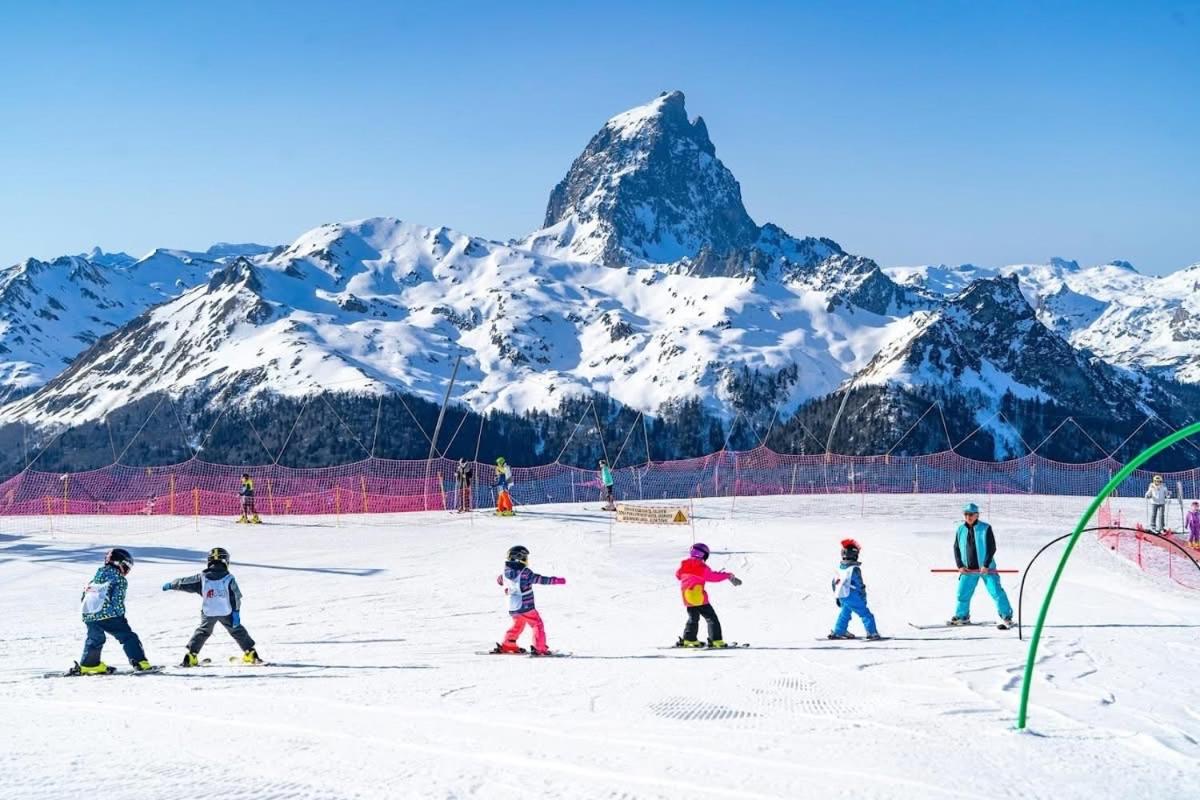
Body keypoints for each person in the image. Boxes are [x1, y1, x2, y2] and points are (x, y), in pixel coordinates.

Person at [162, 547, 261, 666]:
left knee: (203, 631)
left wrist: (171, 585)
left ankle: (191, 655)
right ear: (226, 561)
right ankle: (250, 652)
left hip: (208, 612)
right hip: (227, 611)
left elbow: (185, 582)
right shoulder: (229, 578)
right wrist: (236, 613)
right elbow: (236, 596)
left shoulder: (202, 578)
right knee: (237, 630)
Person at [70, 548, 154, 674]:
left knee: (95, 639)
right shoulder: (119, 579)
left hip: (89, 614)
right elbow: (117, 599)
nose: (127, 571)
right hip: (108, 614)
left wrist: (88, 614)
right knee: (127, 636)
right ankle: (140, 662)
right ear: (119, 564)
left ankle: (90, 664)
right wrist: (120, 616)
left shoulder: (95, 579)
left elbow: (85, 595)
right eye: (127, 567)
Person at [949, 502, 1013, 628]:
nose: (969, 517)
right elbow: (956, 547)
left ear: (977, 515)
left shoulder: (985, 528)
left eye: (971, 514)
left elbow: (991, 548)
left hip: (986, 569)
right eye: (966, 514)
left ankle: (1007, 616)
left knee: (996, 592)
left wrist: (986, 564)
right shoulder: (960, 529)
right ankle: (962, 616)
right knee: (962, 594)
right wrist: (960, 565)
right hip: (968, 570)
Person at [494, 545, 565, 655]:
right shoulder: (525, 573)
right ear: (519, 558)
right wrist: (556, 580)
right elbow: (540, 579)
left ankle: (508, 644)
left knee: (518, 624)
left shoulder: (504, 572)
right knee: (537, 624)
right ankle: (540, 648)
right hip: (525, 605)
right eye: (525, 557)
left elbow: (499, 581)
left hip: (512, 606)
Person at [675, 542, 741, 648]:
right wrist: (728, 575)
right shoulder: (701, 567)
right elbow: (713, 577)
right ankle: (716, 640)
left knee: (693, 618)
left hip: (687, 598)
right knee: (711, 618)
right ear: (704, 555)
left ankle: (689, 639)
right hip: (698, 598)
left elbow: (678, 575)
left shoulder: (683, 565)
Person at [829, 538, 880, 640]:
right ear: (855, 555)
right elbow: (859, 585)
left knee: (845, 613)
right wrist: (863, 596)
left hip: (842, 596)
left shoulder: (840, 568)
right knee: (866, 614)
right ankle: (872, 632)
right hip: (853, 596)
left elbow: (834, 583)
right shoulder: (854, 569)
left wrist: (837, 597)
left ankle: (839, 631)